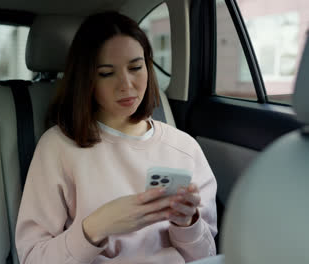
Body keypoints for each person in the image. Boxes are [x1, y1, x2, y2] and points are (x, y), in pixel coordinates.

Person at [15, 11, 217, 264]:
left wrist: (187, 223)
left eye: (135, 67)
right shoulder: (57, 147)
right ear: (86, 79)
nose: (127, 85)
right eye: (107, 73)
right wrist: (95, 227)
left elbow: (206, 258)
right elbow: (33, 258)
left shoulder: (185, 148)